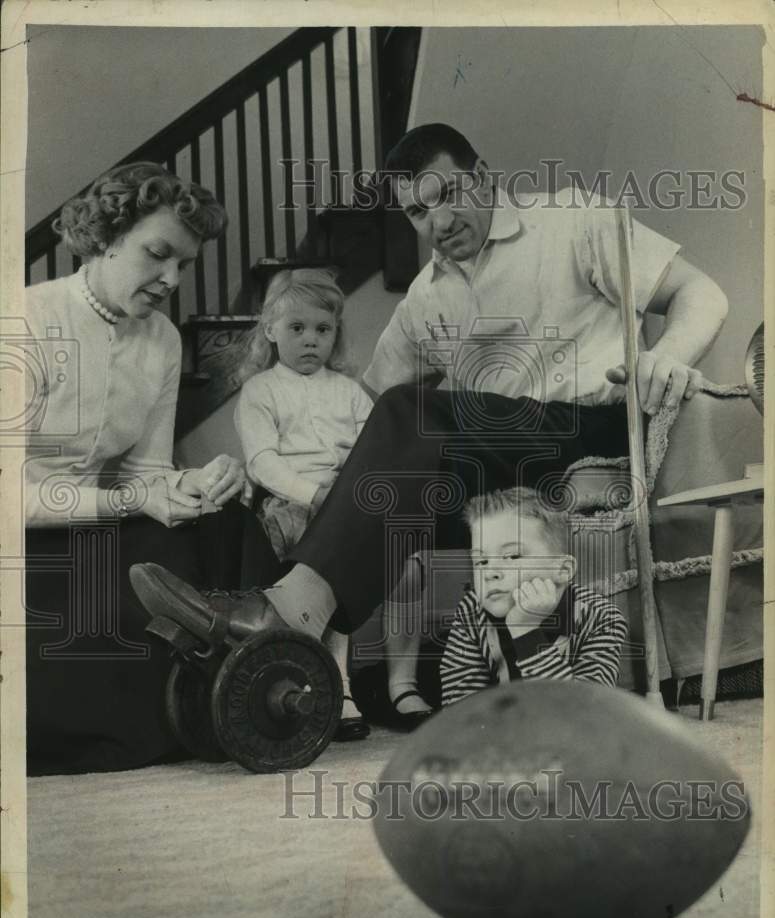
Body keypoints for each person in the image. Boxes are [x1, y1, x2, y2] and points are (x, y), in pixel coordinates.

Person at [129, 123, 729, 711]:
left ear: (484, 178)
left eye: (447, 195)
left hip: (582, 432)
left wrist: (665, 359)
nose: (437, 223)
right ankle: (278, 660)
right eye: (417, 212)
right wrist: (278, 470)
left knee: (409, 414)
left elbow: (702, 293)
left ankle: (281, 617)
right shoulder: (426, 295)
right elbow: (369, 412)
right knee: (360, 478)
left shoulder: (574, 220)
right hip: (490, 462)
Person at [25, 161, 245, 775]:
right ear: (105, 236)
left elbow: (145, 472)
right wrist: (129, 503)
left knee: (231, 522)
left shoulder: (165, 342)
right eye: (158, 254)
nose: (172, 278)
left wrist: (189, 484)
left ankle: (237, 695)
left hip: (95, 531)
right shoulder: (25, 320)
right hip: (22, 541)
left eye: (184, 264)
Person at [235, 268, 374, 738]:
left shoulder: (349, 392)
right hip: (288, 504)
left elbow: (372, 449)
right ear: (270, 330)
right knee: (317, 569)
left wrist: (346, 493)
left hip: (345, 501)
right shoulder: (261, 391)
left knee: (351, 570)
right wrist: (313, 495)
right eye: (297, 328)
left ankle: (340, 683)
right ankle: (304, 677)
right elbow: (262, 461)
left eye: (323, 329)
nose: (310, 340)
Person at [439, 487, 626, 707]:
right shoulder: (471, 611)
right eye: (481, 562)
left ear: (563, 570)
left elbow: (583, 715)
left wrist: (526, 631)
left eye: (511, 556)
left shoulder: (601, 618)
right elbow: (460, 712)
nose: (490, 573)